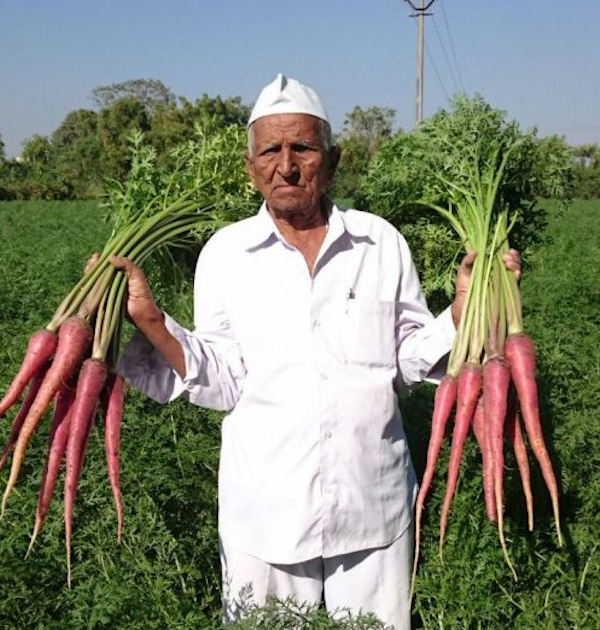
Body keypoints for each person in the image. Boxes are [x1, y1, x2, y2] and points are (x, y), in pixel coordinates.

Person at [113, 74, 521, 629]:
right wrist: (152, 322)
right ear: (250, 164)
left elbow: (406, 361)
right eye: (270, 151)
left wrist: (462, 309)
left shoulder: (381, 244)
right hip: (266, 514)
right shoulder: (226, 255)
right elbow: (223, 380)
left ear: (332, 160)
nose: (286, 165)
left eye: (302, 148)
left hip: (373, 507)